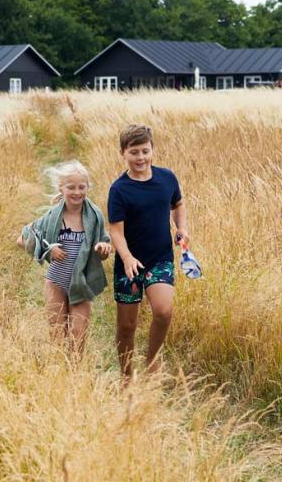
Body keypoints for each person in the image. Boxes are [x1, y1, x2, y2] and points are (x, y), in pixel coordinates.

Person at [108, 124, 189, 379]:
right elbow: (116, 232)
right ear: (123, 153)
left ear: (152, 150)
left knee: (164, 312)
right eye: (134, 152)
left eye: (145, 151)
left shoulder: (167, 178)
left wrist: (181, 228)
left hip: (160, 258)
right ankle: (126, 375)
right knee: (126, 326)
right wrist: (127, 257)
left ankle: (152, 362)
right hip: (129, 264)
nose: (140, 157)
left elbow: (178, 204)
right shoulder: (119, 190)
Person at [17, 161, 111, 352]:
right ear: (61, 188)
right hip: (56, 282)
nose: (77, 192)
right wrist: (48, 250)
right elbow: (22, 239)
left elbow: (104, 244)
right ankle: (61, 376)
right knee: (58, 334)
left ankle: (76, 375)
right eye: (71, 187)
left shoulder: (95, 216)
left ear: (87, 187)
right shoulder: (52, 217)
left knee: (78, 335)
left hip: (81, 283)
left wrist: (103, 248)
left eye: (81, 187)